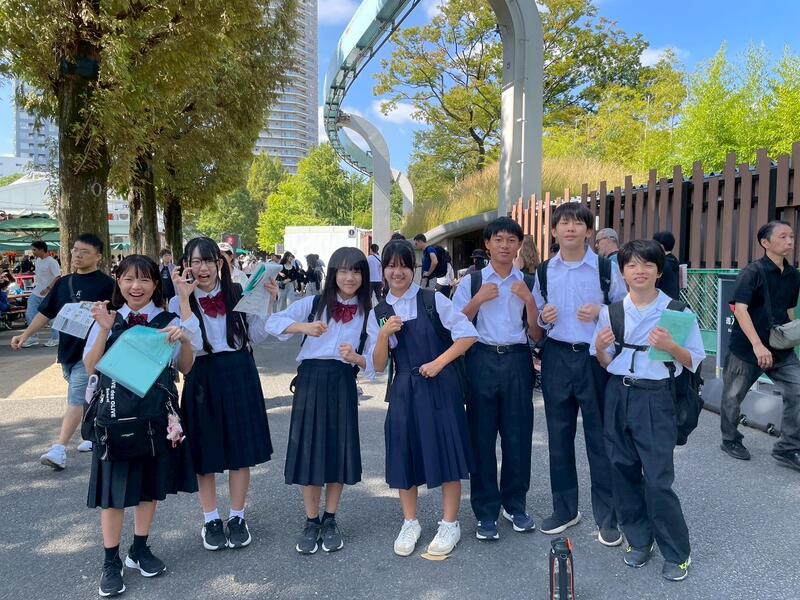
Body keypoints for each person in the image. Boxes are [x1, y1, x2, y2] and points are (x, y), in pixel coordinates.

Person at [83, 255, 201, 597]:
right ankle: (110, 561)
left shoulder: (168, 320)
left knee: (149, 487)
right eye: (129, 279)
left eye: (145, 279)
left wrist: (185, 340)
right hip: (114, 420)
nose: (136, 286)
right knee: (113, 495)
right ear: (118, 282)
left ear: (155, 284)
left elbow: (186, 368)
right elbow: (90, 366)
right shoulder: (107, 317)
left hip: (153, 419)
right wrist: (104, 329)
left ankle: (139, 548)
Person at [591, 239, 705, 581]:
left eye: (647, 265)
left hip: (656, 397)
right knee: (622, 470)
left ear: (658, 271)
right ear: (622, 272)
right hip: (618, 393)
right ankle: (639, 540)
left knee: (657, 479)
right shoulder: (611, 312)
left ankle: (677, 552)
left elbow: (693, 360)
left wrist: (671, 346)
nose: (639, 271)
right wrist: (600, 348)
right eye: (631, 265)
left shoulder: (677, 312)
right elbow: (606, 362)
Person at [367, 239, 477, 557]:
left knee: (448, 451)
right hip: (403, 388)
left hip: (441, 386)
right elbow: (377, 365)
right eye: (391, 266)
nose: (397, 272)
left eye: (404, 265)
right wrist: (384, 335)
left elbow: (468, 334)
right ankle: (410, 522)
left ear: (413, 269)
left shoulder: (432, 300)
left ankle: (450, 523)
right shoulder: (380, 312)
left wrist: (439, 363)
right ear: (383, 270)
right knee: (404, 452)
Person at [173, 237, 278, 552]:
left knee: (240, 449)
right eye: (195, 261)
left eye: (208, 260)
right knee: (205, 452)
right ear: (186, 265)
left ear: (220, 263)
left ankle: (237, 516)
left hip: (239, 370)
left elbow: (256, 336)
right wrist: (183, 300)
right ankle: (210, 520)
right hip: (201, 374)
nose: (202, 267)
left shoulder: (237, 291)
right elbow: (193, 345)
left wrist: (268, 302)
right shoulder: (178, 300)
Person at [267, 247, 372, 555]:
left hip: (342, 381)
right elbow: (273, 323)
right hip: (310, 381)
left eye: (356, 271)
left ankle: (331, 518)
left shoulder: (369, 313)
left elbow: (377, 362)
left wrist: (357, 358)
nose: (350, 277)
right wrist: (304, 328)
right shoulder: (313, 304)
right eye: (343, 270)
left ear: (364, 276)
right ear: (333, 274)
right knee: (309, 450)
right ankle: (311, 520)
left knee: (338, 450)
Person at [533, 202, 626, 543]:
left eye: (577, 223)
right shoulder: (545, 271)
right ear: (554, 231)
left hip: (594, 358)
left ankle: (608, 517)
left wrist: (602, 311)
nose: (570, 228)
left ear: (589, 231)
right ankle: (565, 509)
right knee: (559, 438)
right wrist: (543, 317)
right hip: (557, 357)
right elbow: (538, 315)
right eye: (564, 223)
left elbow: (624, 309)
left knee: (600, 439)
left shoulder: (605, 268)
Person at [452, 217, 541, 540]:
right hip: (481, 358)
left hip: (517, 359)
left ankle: (515, 505)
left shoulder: (528, 282)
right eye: (498, 239)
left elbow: (537, 333)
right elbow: (454, 324)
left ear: (519, 245)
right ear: (487, 244)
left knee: (518, 436)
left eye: (511, 240)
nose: (505, 245)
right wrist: (477, 300)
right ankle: (486, 511)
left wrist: (529, 300)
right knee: (481, 438)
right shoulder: (472, 281)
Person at [11, 233, 115, 469]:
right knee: (85, 395)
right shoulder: (63, 283)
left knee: (76, 398)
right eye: (75, 250)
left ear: (98, 257)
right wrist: (25, 335)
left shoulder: (107, 285)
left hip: (89, 354)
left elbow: (117, 316)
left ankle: (59, 448)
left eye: (84, 252)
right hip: (66, 352)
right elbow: (46, 312)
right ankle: (92, 433)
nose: (78, 255)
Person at [719, 221, 800, 471]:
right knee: (733, 397)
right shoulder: (752, 272)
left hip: (780, 348)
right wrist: (757, 345)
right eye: (782, 236)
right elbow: (740, 309)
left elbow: (788, 310)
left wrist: (791, 336)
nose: (790, 241)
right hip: (747, 348)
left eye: (791, 236)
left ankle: (788, 448)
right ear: (765, 242)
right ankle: (730, 439)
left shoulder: (793, 275)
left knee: (798, 389)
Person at [22, 241, 62, 347]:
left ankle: (56, 338)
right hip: (37, 292)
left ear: (41, 250)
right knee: (30, 313)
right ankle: (32, 338)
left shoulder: (52, 262)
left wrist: (48, 288)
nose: (33, 252)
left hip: (50, 294)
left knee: (51, 316)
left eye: (34, 250)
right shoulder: (37, 261)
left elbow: (58, 277)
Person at [653, 231, 680, 300]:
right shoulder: (675, 260)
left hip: (662, 302)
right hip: (674, 301)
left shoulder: (661, 263)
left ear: (661, 247)